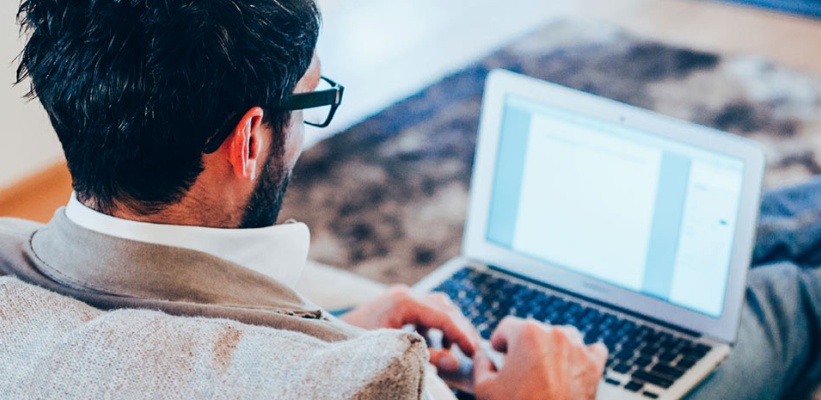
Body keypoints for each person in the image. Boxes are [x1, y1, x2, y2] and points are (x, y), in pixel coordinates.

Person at [0, 0, 817, 399]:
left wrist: (333, 332)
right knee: (786, 300)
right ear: (251, 140)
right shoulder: (365, 386)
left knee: (754, 234)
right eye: (311, 104)